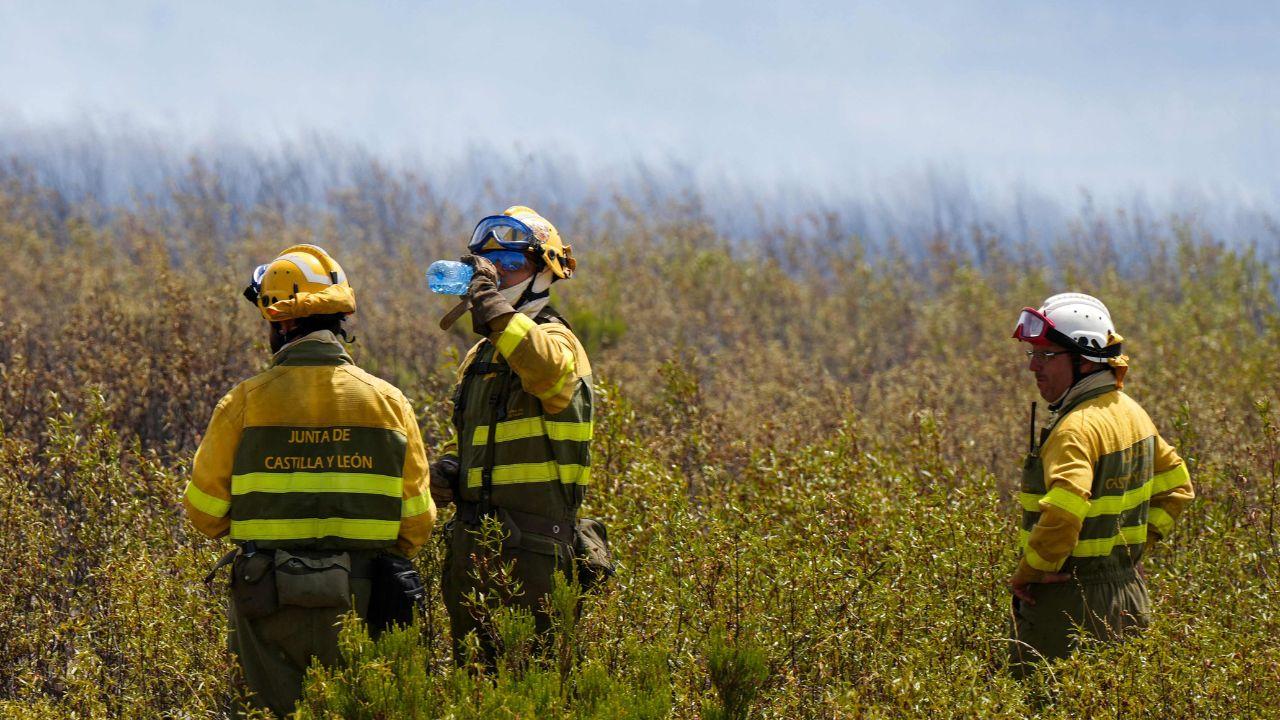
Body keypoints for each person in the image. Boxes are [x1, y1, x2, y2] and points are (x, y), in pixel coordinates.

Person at [182, 244, 435, 715]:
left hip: (268, 600)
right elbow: (417, 524)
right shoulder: (390, 403)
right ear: (338, 318)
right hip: (365, 599)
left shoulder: (243, 403)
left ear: (281, 323)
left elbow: (205, 514)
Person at [429, 206, 593, 665]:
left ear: (545, 272)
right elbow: (482, 443)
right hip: (471, 549)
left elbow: (545, 370)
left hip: (534, 556)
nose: (497, 275)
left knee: (530, 685)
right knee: (474, 685)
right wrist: (453, 469)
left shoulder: (558, 342)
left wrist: (493, 309)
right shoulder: (481, 356)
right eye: (489, 265)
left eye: (511, 264)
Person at [1008, 292, 1194, 676]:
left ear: (1085, 360)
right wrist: (1131, 554)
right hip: (1129, 600)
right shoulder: (1133, 414)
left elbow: (1065, 507)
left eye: (1046, 356)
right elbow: (1178, 488)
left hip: (1069, 606)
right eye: (1032, 355)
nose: (1034, 368)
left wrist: (1031, 570)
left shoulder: (1075, 429)